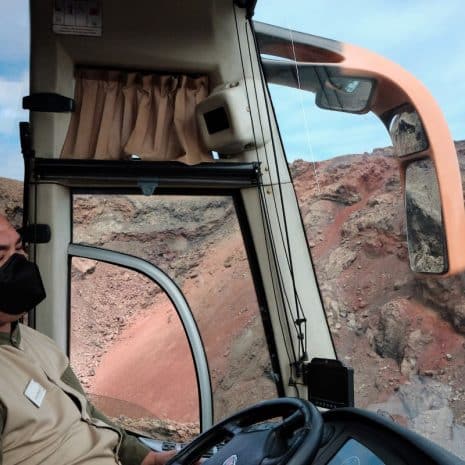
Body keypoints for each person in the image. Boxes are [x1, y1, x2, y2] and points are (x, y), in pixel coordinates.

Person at [0, 213, 177, 465]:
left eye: (19, 248)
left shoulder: (38, 343)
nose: (19, 262)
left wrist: (150, 459)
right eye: (1, 256)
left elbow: (86, 412)